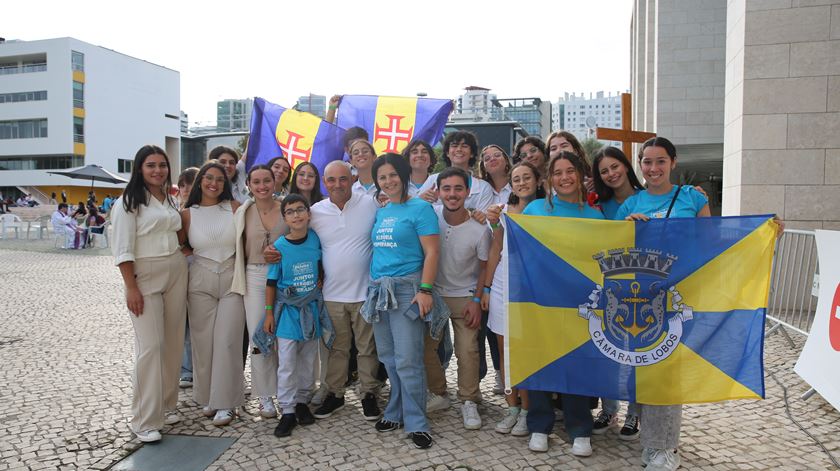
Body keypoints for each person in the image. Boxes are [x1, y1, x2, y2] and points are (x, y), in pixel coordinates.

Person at [615, 137, 710, 471]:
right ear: (639, 164)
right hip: (641, 300)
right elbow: (614, 252)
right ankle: (653, 441)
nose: (653, 169)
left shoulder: (692, 199)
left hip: (680, 295)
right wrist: (625, 230)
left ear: (673, 162)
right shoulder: (629, 205)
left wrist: (765, 233)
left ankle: (664, 447)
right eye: (647, 162)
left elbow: (708, 242)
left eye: (660, 161)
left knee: (667, 372)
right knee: (646, 367)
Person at [360, 153, 448, 449]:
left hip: (407, 292)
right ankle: (395, 412)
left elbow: (433, 253)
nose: (388, 181)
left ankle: (417, 422)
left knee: (409, 360)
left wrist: (424, 290)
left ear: (403, 174)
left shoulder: (422, 209)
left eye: (392, 175)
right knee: (388, 358)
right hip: (379, 293)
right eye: (382, 177)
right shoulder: (382, 211)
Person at [521, 151, 604, 457]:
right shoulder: (534, 209)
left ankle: (580, 429)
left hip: (580, 304)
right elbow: (518, 250)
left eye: (570, 171)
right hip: (540, 302)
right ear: (549, 178)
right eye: (558, 173)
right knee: (540, 363)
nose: (564, 177)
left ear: (580, 175)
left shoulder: (595, 216)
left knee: (577, 367)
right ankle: (539, 426)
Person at [111, 145, 188, 443]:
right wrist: (131, 286)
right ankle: (143, 419)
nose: (157, 170)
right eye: (150, 165)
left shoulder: (168, 199)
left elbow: (176, 232)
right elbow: (122, 249)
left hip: (175, 269)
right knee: (151, 346)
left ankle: (166, 406)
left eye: (162, 165)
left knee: (171, 343)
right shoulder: (128, 202)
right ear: (139, 169)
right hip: (144, 275)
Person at [308, 161, 383, 422]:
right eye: (331, 180)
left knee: (367, 349)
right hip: (331, 295)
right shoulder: (315, 211)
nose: (337, 185)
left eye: (342, 179)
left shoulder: (369, 203)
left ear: (352, 179)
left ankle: (369, 393)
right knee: (336, 349)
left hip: (365, 293)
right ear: (324, 183)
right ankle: (335, 394)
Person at [423, 168, 490, 430]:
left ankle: (469, 399)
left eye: (458, 189)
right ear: (439, 192)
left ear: (467, 192)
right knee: (426, 348)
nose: (452, 194)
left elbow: (484, 266)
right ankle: (439, 393)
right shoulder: (431, 217)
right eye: (446, 189)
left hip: (465, 297)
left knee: (468, 350)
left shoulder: (479, 228)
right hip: (436, 294)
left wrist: (476, 300)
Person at [483, 161, 546, 437]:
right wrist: (485, 288)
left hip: (532, 289)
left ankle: (527, 410)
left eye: (526, 178)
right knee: (505, 352)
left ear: (537, 180)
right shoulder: (504, 211)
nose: (521, 183)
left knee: (527, 353)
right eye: (516, 179)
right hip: (501, 287)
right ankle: (512, 408)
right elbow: (495, 249)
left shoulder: (547, 211)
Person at [181, 161, 245, 427]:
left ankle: (227, 402)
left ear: (225, 183)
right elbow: (181, 245)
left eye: (220, 179)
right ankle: (208, 396)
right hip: (200, 280)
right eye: (209, 178)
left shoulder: (235, 208)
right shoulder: (187, 214)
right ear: (200, 181)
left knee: (228, 341)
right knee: (203, 342)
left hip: (232, 278)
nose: (214, 184)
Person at [263, 194, 332, 438]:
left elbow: (321, 263)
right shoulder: (279, 247)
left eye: (300, 210)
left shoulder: (314, 239)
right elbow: (271, 283)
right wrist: (269, 314)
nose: (296, 215)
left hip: (310, 310)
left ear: (308, 213)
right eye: (290, 212)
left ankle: (302, 401)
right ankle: (288, 409)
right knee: (287, 362)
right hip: (288, 313)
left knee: (308, 359)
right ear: (285, 218)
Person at [589, 146, 645, 439]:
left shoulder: (648, 197)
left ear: (626, 165)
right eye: (604, 171)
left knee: (638, 350)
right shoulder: (599, 205)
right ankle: (608, 408)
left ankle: (635, 413)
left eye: (615, 167)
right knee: (606, 351)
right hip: (609, 284)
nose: (611, 174)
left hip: (644, 284)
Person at [230, 165, 287, 419]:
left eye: (267, 180)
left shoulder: (287, 207)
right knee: (259, 335)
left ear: (275, 182)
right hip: (254, 276)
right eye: (256, 182)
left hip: (285, 276)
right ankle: (264, 396)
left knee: (286, 335)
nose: (262, 186)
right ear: (249, 186)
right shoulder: (243, 211)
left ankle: (288, 392)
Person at [475, 144, 512, 392]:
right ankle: (501, 374)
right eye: (487, 158)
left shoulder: (518, 185)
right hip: (491, 261)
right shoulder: (483, 191)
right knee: (493, 326)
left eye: (497, 154)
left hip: (515, 263)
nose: (492, 159)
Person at [417, 131, 494, 211]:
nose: (459, 149)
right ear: (447, 153)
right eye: (454, 146)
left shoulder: (483, 187)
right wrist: (420, 199)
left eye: (464, 146)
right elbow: (413, 210)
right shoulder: (432, 180)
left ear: (472, 154)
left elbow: (485, 219)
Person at [175, 167, 199, 389]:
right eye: (182, 185)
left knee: (195, 323)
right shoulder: (173, 209)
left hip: (197, 268)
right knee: (181, 324)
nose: (185, 189)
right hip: (175, 271)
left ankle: (193, 369)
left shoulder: (198, 212)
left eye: (189, 185)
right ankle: (184, 368)